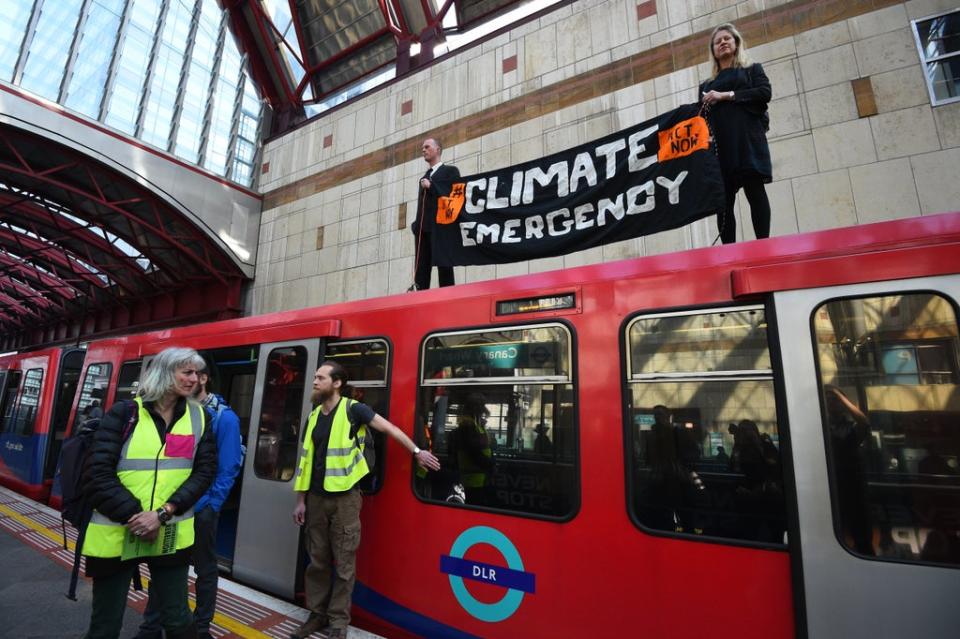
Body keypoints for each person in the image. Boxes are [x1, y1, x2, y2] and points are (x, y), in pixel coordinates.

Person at [290, 361, 440, 639]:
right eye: (315, 377)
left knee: (344, 564)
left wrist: (417, 451)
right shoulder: (312, 416)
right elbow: (306, 461)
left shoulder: (353, 409)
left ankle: (338, 621)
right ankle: (317, 614)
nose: (314, 381)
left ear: (336, 383)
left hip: (346, 498)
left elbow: (391, 430)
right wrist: (301, 500)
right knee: (317, 562)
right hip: (316, 499)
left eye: (320, 378)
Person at [81, 347, 216, 639]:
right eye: (187, 371)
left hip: (169, 533)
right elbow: (97, 474)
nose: (195, 379)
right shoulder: (124, 414)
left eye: (196, 372)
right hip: (116, 534)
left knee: (178, 619)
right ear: (166, 372)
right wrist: (136, 516)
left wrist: (162, 514)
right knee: (105, 624)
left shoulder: (200, 417)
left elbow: (204, 472)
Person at [136, 355, 244, 639]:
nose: (188, 381)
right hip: (173, 507)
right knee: (166, 565)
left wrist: (212, 505)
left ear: (203, 379)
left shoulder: (223, 417)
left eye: (193, 375)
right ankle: (152, 626)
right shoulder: (179, 413)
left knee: (205, 569)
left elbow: (229, 465)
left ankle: (201, 625)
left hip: (201, 508)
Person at [699, 22, 772, 244]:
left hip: (748, 141)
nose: (722, 43)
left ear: (736, 42)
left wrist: (726, 95)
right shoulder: (706, 84)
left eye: (727, 39)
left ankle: (763, 246)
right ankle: (728, 252)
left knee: (755, 192)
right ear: (713, 50)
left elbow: (764, 93)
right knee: (723, 202)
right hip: (721, 147)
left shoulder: (752, 70)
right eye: (717, 41)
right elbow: (700, 117)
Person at [411, 137, 460, 290]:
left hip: (441, 229)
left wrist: (432, 187)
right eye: (422, 148)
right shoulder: (424, 177)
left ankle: (448, 300)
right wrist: (416, 225)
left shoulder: (450, 171)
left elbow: (454, 197)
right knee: (421, 270)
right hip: (423, 231)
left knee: (444, 267)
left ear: (437, 149)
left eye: (427, 147)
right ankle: (419, 301)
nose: (423, 150)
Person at [455, 393, 494, 504]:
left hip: (479, 477)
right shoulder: (468, 426)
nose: (483, 410)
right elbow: (474, 451)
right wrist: (491, 464)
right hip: (472, 479)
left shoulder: (476, 425)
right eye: (481, 406)